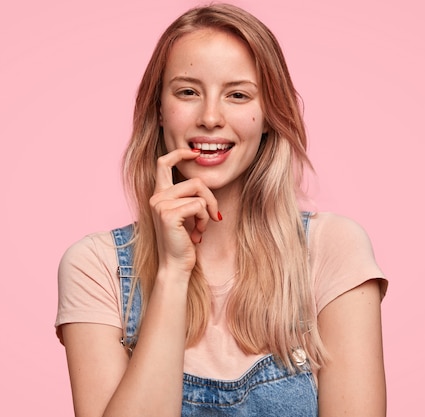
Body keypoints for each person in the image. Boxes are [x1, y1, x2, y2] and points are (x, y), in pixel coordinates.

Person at [55, 3, 388, 416]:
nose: (211, 117)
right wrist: (173, 274)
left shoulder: (332, 249)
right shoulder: (96, 267)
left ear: (268, 115)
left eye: (237, 95)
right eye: (188, 92)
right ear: (159, 108)